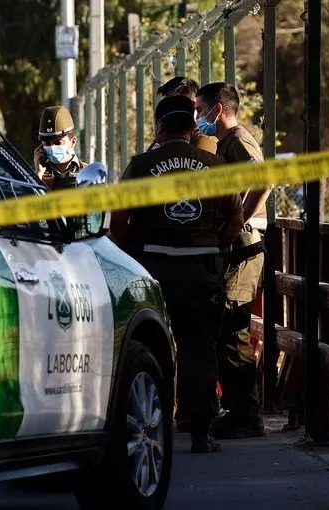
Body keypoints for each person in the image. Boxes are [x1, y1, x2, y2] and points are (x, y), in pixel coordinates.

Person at [110, 95, 244, 454]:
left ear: (159, 128)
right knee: (200, 349)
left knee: (152, 347)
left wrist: (131, 256)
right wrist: (217, 244)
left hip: (155, 273)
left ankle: (154, 426)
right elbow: (235, 220)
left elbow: (118, 220)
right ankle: (201, 431)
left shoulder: (141, 166)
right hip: (203, 273)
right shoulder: (215, 165)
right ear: (191, 127)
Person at [195, 82, 271, 439]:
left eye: (201, 110)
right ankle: (238, 410)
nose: (198, 117)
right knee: (225, 326)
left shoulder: (238, 140)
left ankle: (247, 415)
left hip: (244, 248)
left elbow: (264, 180)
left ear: (217, 110)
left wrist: (240, 218)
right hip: (232, 248)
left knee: (234, 327)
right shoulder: (221, 143)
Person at [148, 76, 218, 154]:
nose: (174, 111)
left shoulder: (205, 142)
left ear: (195, 106)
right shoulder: (162, 137)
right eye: (168, 105)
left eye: (184, 105)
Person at [33, 105, 86, 190]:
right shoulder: (32, 174)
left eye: (58, 142)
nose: (52, 147)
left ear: (73, 142)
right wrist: (38, 175)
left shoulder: (87, 172)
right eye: (47, 143)